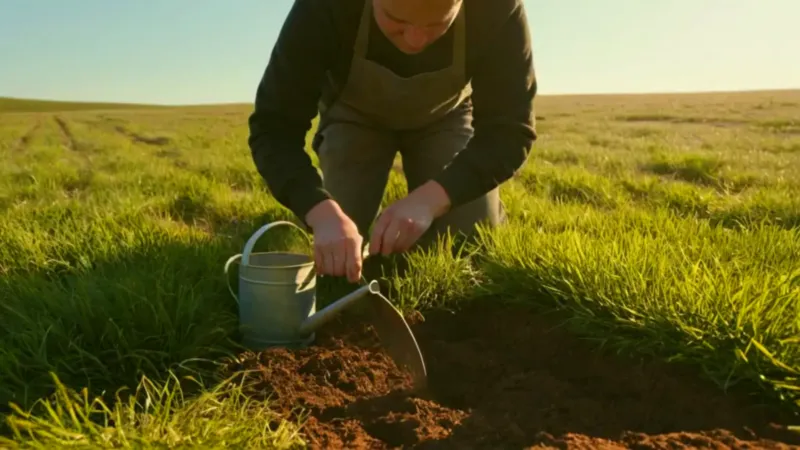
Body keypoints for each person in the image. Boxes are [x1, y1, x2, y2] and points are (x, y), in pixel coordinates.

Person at [248, 0, 538, 283]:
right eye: (396, 20)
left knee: (467, 244)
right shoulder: (322, 7)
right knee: (337, 247)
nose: (415, 40)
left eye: (438, 24)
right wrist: (320, 212)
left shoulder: (499, 7)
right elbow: (274, 128)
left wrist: (430, 201)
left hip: (445, 116)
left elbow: (510, 132)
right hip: (353, 116)